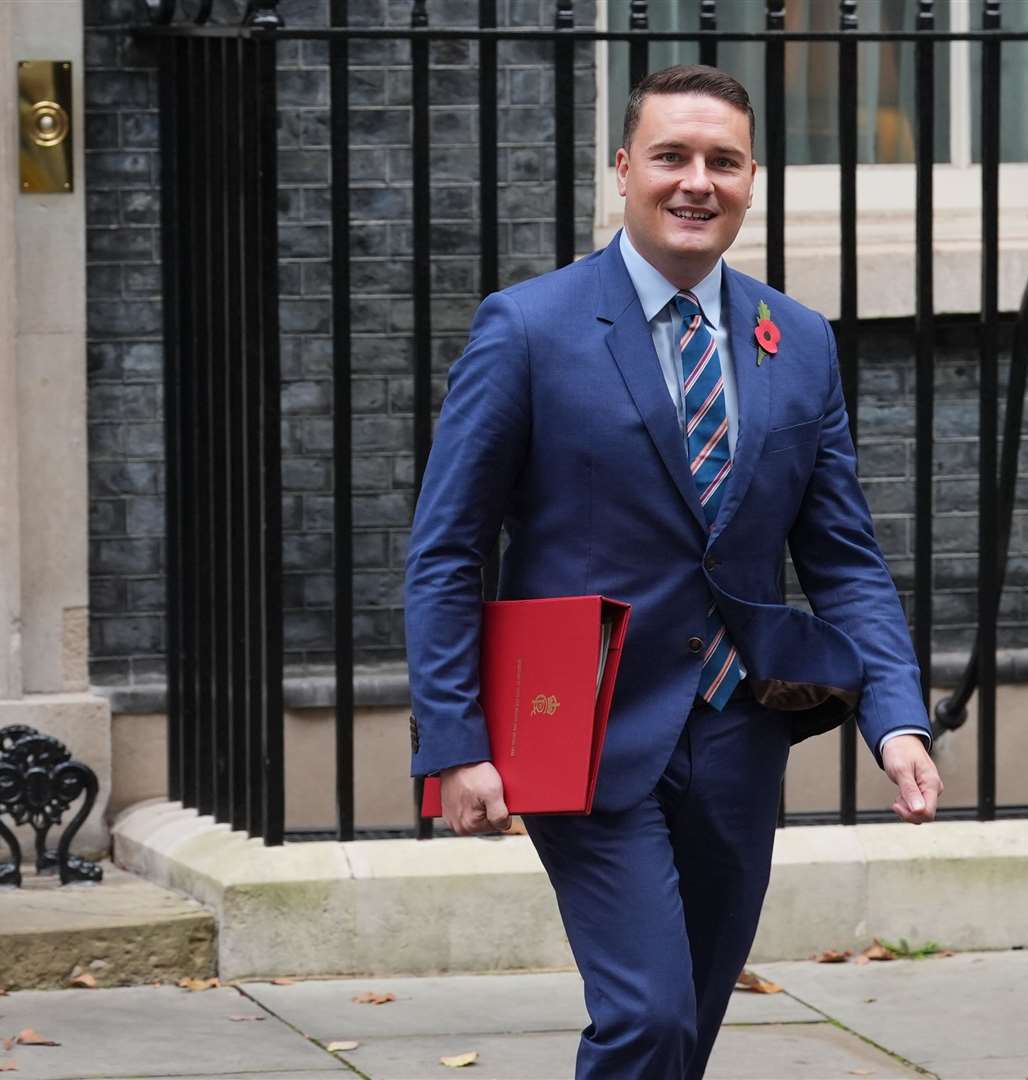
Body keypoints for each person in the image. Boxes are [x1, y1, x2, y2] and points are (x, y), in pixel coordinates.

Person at [405, 64, 944, 1080]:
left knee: (686, 1023)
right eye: (670, 157)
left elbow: (842, 554)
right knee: (646, 1019)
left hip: (738, 733)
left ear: (751, 180)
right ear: (622, 171)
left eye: (722, 162)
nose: (696, 181)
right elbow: (446, 550)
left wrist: (897, 719)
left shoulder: (800, 343)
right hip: (583, 725)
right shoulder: (527, 329)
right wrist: (455, 741)